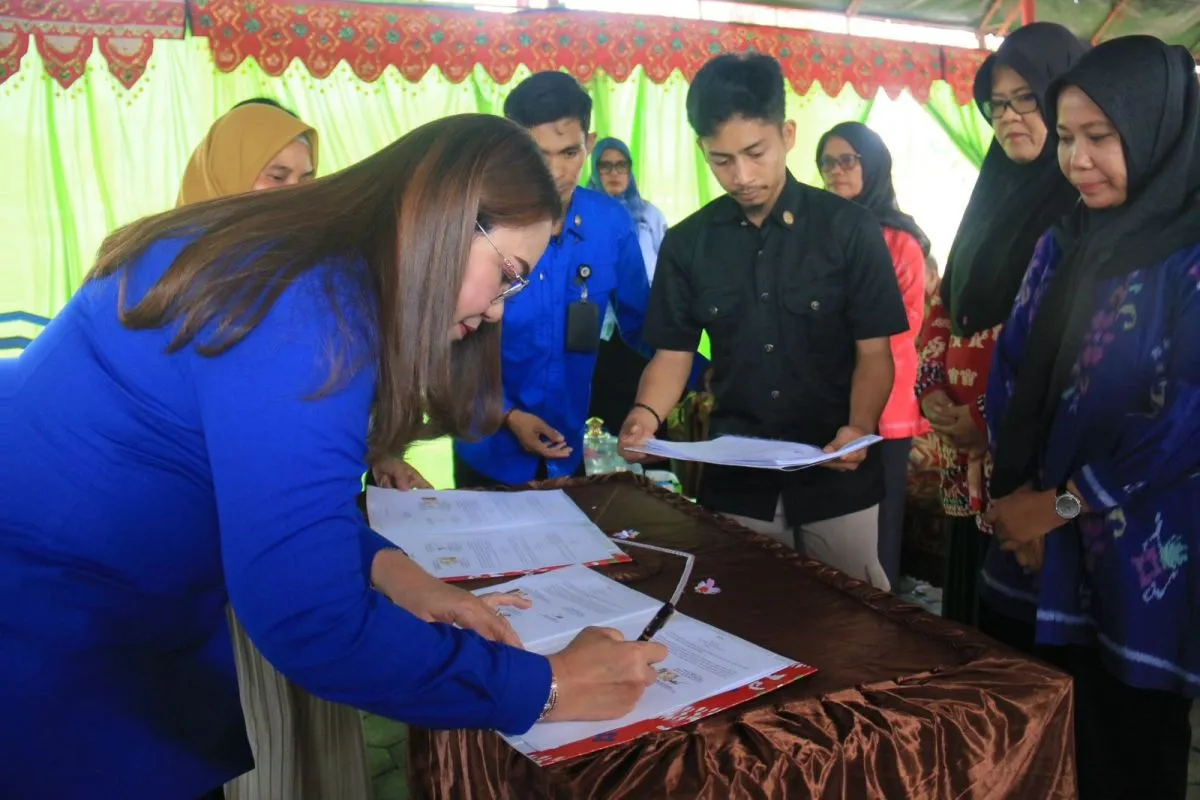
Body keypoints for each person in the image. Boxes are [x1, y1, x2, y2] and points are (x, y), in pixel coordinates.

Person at [0, 113, 667, 799]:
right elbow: (313, 622)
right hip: (55, 637)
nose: (498, 311)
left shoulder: (286, 263)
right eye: (508, 274)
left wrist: (395, 571)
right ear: (445, 221)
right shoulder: (309, 315)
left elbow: (273, 488)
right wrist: (548, 686)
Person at [981, 36, 1199, 799]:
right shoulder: (1063, 240)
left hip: (1138, 558)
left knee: (1120, 755)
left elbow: (1183, 423)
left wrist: (1061, 506)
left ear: (1157, 130)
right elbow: (1012, 368)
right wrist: (1019, 499)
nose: (1078, 160)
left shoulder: (1189, 258)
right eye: (1067, 137)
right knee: (1028, 745)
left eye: (1101, 137)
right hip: (1032, 538)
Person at [619, 54, 907, 590]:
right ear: (702, 150)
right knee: (745, 610)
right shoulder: (688, 243)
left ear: (787, 135)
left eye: (756, 153)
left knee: (852, 617)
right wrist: (644, 414)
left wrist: (859, 426)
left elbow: (874, 352)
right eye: (722, 160)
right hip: (738, 480)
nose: (742, 176)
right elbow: (673, 354)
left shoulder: (849, 229)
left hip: (834, 472)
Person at [176, 100, 379, 800]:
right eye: (276, 176)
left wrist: (376, 447)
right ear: (226, 174)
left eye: (307, 179)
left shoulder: (305, 275)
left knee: (313, 700)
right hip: (209, 547)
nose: (297, 194)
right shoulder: (171, 276)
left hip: (295, 527)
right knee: (251, 731)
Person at [916, 22, 1087, 626]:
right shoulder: (988, 198)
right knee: (973, 615)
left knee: (1026, 624)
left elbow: (1069, 344)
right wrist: (933, 391)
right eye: (998, 104)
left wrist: (988, 419)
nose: (1010, 116)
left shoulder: (1085, 207)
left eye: (1027, 100)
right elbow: (947, 300)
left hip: (1036, 473)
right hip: (966, 460)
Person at [453, 73, 652, 487]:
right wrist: (508, 414)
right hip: (488, 449)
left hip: (567, 448)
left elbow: (645, 328)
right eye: (537, 153)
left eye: (569, 152)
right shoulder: (475, 222)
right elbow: (447, 344)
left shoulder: (610, 224)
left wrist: (705, 377)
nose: (555, 172)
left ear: (589, 143)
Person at [817, 121, 931, 588]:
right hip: (824, 396)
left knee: (879, 530)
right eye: (827, 163)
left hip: (883, 405)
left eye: (847, 160)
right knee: (828, 527)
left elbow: (903, 325)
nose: (835, 171)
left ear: (875, 165)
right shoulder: (818, 231)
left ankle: (882, 621)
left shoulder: (901, 241)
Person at [586, 137, 669, 432]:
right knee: (599, 414)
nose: (614, 173)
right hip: (596, 332)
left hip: (643, 329)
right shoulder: (582, 214)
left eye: (621, 165)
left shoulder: (649, 216)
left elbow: (667, 270)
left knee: (641, 408)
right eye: (605, 165)